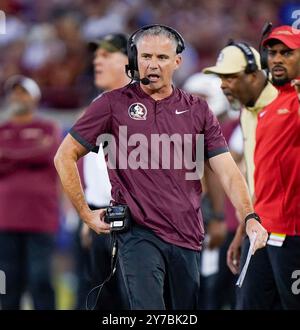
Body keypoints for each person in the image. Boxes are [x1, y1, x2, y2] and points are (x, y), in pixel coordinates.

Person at [54, 24, 267, 310]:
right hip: (137, 234)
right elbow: (64, 155)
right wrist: (84, 212)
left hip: (188, 235)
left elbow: (227, 171)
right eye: (146, 57)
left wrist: (249, 215)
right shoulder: (111, 104)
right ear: (134, 59)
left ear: (177, 61)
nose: (153, 65)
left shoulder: (197, 109)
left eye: (162, 58)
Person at [203, 25, 300, 309]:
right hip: (261, 227)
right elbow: (262, 176)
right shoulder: (260, 110)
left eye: (287, 53)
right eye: (272, 52)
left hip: (291, 232)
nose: (278, 59)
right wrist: (243, 226)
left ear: (253, 75)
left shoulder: (290, 104)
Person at [75, 33, 131, 310]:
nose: (97, 61)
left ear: (128, 60)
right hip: (100, 217)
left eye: (107, 55)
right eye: (96, 55)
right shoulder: (98, 103)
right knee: (101, 299)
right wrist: (87, 211)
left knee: (135, 299)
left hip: (134, 218)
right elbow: (92, 166)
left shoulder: (142, 104)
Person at [0, 75, 61, 310]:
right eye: (14, 92)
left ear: (35, 98)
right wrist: (32, 152)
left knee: (41, 280)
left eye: (23, 92)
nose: (18, 97)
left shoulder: (48, 127)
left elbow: (49, 155)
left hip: (40, 217)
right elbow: (39, 153)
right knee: (9, 282)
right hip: (6, 218)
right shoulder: (3, 128)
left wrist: (8, 156)